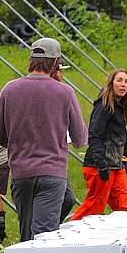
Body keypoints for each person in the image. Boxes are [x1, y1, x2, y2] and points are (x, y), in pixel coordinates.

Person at [0, 37, 88, 241]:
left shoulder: (9, 89)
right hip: (52, 173)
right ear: (55, 63)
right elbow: (80, 138)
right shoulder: (65, 92)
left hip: (21, 172)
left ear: (30, 60)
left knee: (26, 235)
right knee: (44, 237)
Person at [71, 69, 127, 220]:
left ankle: (122, 235)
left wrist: (118, 154)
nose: (123, 85)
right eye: (119, 80)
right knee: (94, 206)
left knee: (125, 206)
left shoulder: (121, 107)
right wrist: (101, 163)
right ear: (111, 83)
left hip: (116, 165)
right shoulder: (104, 106)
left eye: (126, 82)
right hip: (98, 165)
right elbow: (94, 135)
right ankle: (67, 235)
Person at [51, 64, 78, 222]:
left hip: (59, 157)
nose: (62, 74)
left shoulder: (64, 92)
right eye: (60, 71)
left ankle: (51, 226)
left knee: (68, 199)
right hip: (48, 159)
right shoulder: (60, 93)